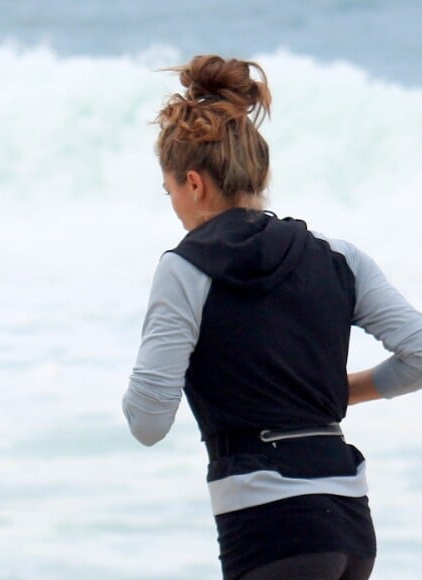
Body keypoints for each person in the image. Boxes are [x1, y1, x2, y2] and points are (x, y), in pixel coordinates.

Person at [122, 55, 422, 580]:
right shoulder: (337, 255)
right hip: (351, 528)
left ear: (194, 183)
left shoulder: (186, 266)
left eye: (167, 189)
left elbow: (147, 421)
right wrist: (339, 391)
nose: (172, 203)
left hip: (270, 527)